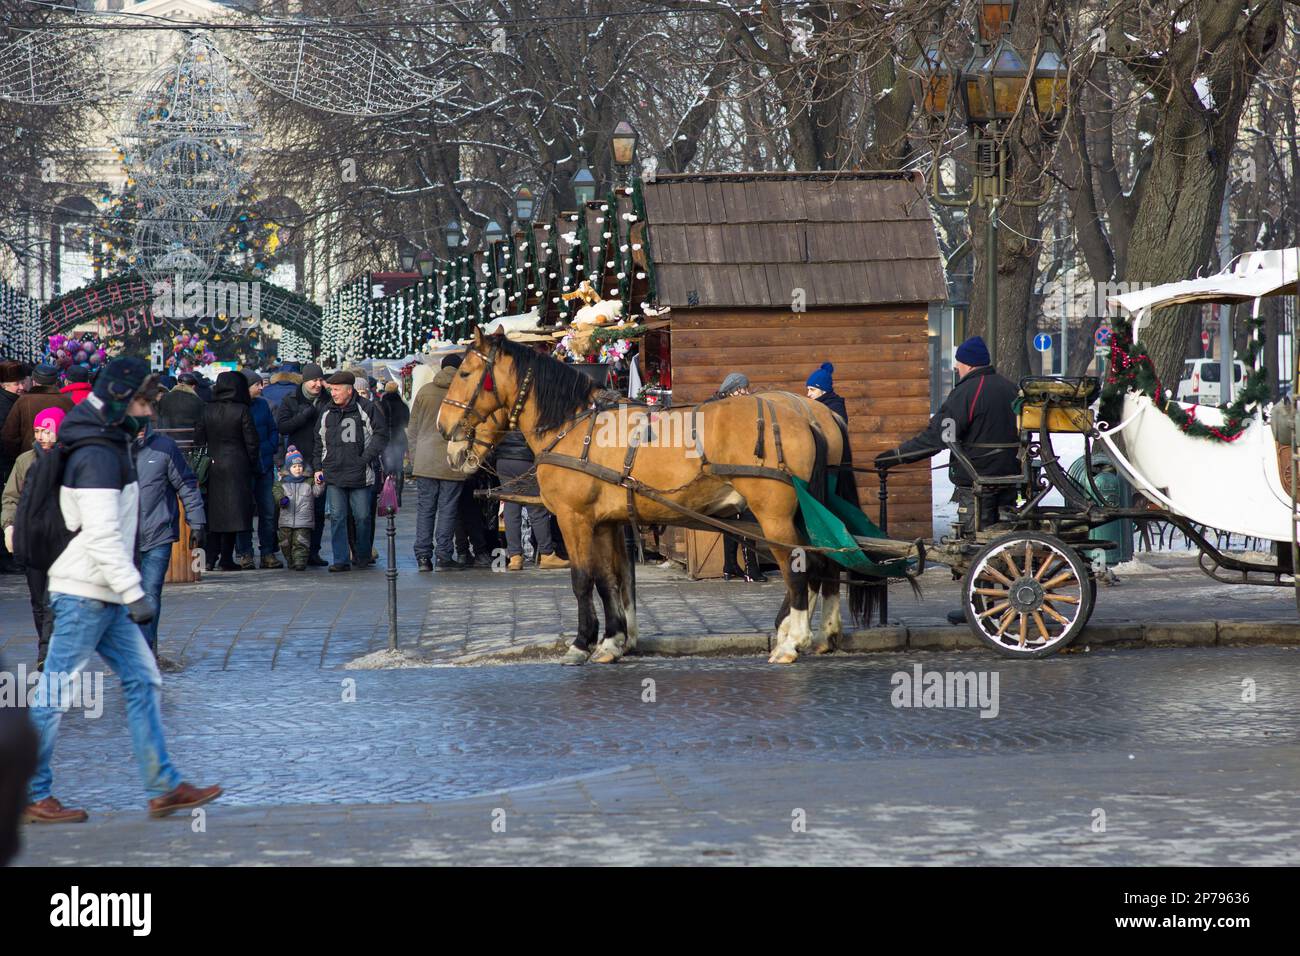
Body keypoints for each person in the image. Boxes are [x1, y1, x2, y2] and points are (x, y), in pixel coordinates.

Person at [23, 356, 221, 824]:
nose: (150, 413)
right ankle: (29, 791)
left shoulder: (104, 440)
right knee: (54, 691)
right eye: (143, 402)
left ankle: (163, 786)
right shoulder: (95, 452)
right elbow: (100, 533)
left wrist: (125, 592)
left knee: (143, 680)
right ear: (117, 399)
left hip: (101, 590)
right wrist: (135, 593)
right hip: (86, 590)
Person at [875, 335, 1019, 624]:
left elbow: (936, 437)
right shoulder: (1010, 388)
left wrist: (896, 456)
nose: (956, 369)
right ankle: (998, 602)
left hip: (977, 481)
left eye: (958, 365)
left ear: (966, 365)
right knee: (1002, 544)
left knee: (973, 548)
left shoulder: (967, 392)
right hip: (1011, 478)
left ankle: (981, 607)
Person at [128, 385, 206, 654]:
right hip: (123, 537)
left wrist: (197, 523)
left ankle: (146, 651)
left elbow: (186, 484)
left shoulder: (164, 448)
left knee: (150, 594)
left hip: (158, 533)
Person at [2, 406, 65, 667]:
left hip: (63, 543)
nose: (41, 436)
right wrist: (9, 526)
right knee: (38, 600)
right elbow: (11, 497)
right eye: (38, 430)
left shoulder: (72, 460)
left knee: (56, 598)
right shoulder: (25, 461)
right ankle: (47, 644)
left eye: (47, 431)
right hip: (33, 541)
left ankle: (46, 652)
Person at [314, 371, 388, 571]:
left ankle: (362, 556)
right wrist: (318, 467)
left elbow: (381, 435)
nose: (333, 394)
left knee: (362, 517)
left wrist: (365, 458)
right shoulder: (327, 411)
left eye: (337, 390)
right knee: (338, 517)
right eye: (332, 390)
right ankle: (340, 560)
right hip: (334, 474)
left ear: (349, 390)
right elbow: (318, 441)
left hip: (360, 474)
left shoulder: (367, 408)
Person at [407, 354, 470, 572]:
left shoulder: (424, 391)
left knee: (425, 509)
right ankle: (444, 556)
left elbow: (412, 429)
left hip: (425, 460)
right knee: (448, 509)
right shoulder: (463, 392)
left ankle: (423, 558)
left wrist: (414, 458)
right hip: (452, 460)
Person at [195, 371, 259, 572]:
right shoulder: (242, 410)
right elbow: (252, 442)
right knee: (234, 514)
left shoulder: (207, 409)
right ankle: (225, 558)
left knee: (215, 515)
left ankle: (210, 557)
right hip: (237, 466)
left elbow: (199, 439)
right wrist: (252, 464)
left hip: (213, 466)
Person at [710, 373, 767, 582]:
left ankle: (730, 566)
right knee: (748, 518)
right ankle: (751, 570)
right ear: (736, 389)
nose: (747, 392)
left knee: (730, 521)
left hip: (723, 474)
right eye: (744, 388)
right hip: (733, 471)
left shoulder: (717, 405)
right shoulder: (729, 409)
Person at [275, 362, 328, 566]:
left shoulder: (326, 400)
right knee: (296, 509)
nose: (317, 384)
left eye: (319, 380)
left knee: (318, 509)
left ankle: (313, 551)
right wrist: (304, 415)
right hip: (298, 462)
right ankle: (296, 553)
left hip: (320, 460)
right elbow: (283, 426)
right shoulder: (291, 400)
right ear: (305, 381)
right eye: (313, 380)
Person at [235, 370, 282, 569]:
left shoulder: (263, 405)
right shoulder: (236, 408)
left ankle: (267, 552)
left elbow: (273, 429)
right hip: (244, 466)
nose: (261, 388)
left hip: (264, 465)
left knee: (268, 510)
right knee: (243, 511)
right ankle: (245, 553)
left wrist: (270, 447)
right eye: (257, 385)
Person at [1, 363, 73, 463]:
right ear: (56, 382)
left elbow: (9, 436)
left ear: (34, 381)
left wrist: (19, 459)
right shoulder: (67, 402)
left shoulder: (23, 401)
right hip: (59, 461)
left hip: (30, 461)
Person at [0, 361, 29, 574]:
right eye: (15, 383)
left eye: (21, 382)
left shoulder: (14, 401)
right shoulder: (8, 405)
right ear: (4, 385)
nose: (20, 387)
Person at [275, 445, 322, 571]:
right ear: (289, 468)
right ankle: (290, 561)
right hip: (286, 520)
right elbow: (276, 493)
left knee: (301, 542)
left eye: (300, 466)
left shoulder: (308, 481)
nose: (297, 469)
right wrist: (281, 500)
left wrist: (320, 483)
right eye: (294, 467)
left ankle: (300, 562)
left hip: (304, 520)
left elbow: (317, 492)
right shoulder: (282, 483)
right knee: (285, 543)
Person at [379, 381, 409, 506]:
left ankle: (388, 494)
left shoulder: (381, 404)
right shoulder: (403, 405)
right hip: (400, 437)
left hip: (386, 438)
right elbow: (406, 422)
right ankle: (398, 495)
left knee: (387, 467)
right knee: (399, 467)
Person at [157, 371, 205, 436]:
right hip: (189, 439)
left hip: (168, 437)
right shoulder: (197, 400)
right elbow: (201, 422)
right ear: (193, 386)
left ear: (178, 383)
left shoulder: (165, 397)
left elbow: (159, 416)